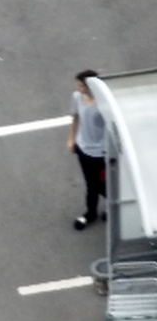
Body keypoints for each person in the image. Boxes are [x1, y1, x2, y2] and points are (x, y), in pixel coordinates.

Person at [67, 69, 107, 230]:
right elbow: (76, 117)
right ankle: (91, 213)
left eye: (82, 86)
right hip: (83, 149)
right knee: (91, 184)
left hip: (101, 154)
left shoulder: (103, 105)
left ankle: (113, 207)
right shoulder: (77, 97)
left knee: (102, 185)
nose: (79, 88)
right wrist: (71, 139)